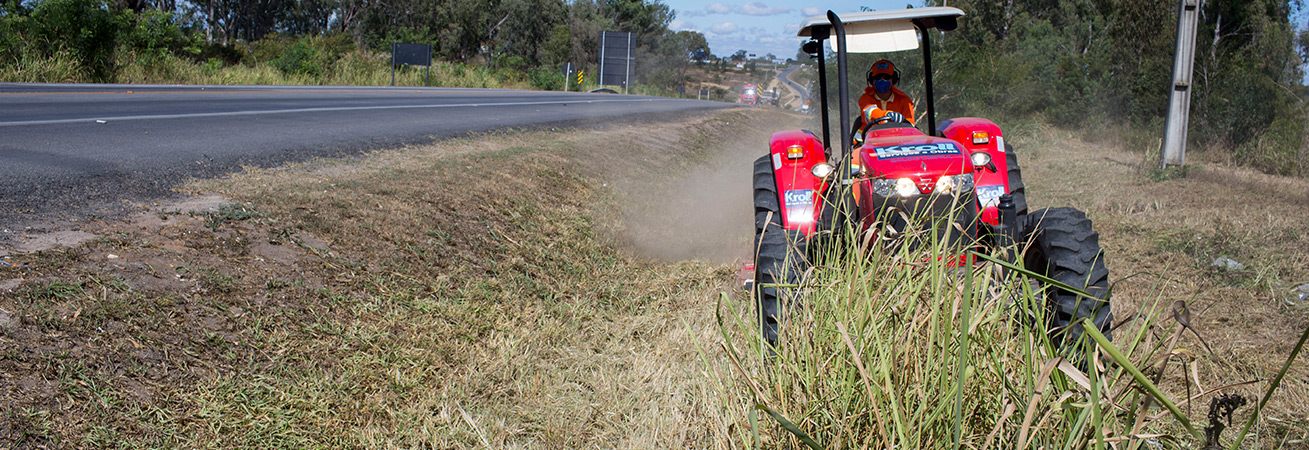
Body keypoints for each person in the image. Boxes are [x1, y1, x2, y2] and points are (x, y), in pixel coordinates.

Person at [858, 59, 915, 125]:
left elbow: (910, 125)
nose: (882, 80)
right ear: (872, 80)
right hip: (868, 135)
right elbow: (869, 112)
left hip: (896, 135)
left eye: (887, 77)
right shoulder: (865, 99)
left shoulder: (905, 101)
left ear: (893, 79)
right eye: (878, 77)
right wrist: (886, 115)